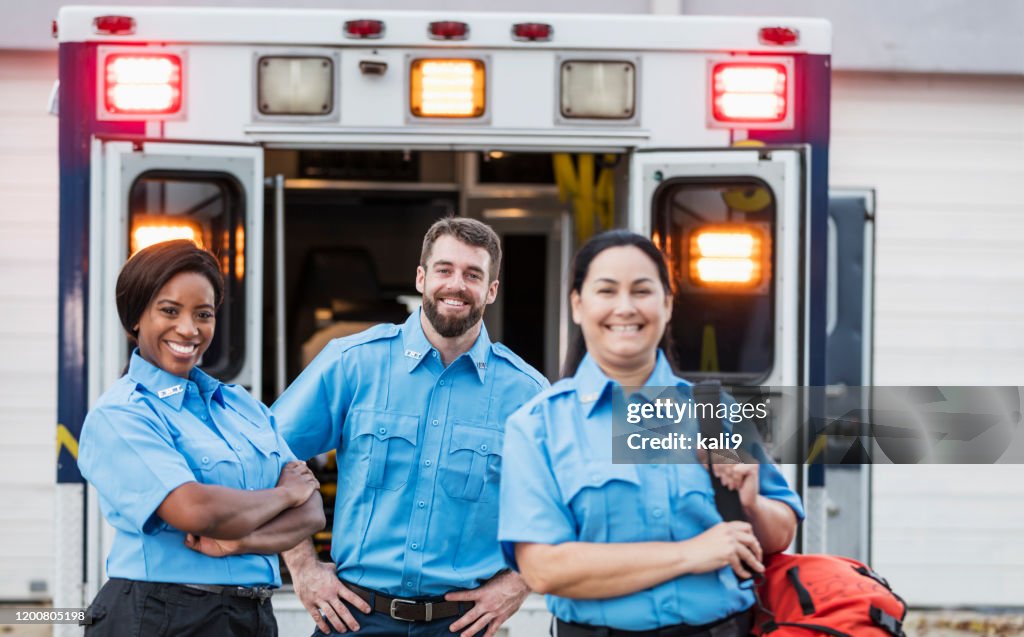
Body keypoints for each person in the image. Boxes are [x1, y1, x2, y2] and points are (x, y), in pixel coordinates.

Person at [498, 230, 804, 637]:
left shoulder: (714, 411)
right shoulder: (538, 426)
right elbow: (543, 569)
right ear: (577, 305)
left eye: (642, 291)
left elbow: (780, 533)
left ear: (667, 304)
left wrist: (750, 503)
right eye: (607, 291)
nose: (625, 308)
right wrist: (690, 555)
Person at [273, 217, 549, 637]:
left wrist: (518, 584)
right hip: (353, 619)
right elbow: (265, 452)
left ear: (491, 290)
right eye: (444, 270)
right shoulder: (353, 363)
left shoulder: (526, 393)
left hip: (463, 626)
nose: (456, 285)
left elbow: (563, 503)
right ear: (421, 277)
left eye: (473, 275)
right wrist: (303, 566)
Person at [78, 240, 325, 637]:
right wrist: (282, 495)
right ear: (135, 317)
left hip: (251, 616)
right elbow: (194, 510)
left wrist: (238, 543)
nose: (189, 329)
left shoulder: (242, 406)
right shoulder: (122, 414)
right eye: (170, 311)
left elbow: (311, 512)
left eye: (203, 314)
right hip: (161, 616)